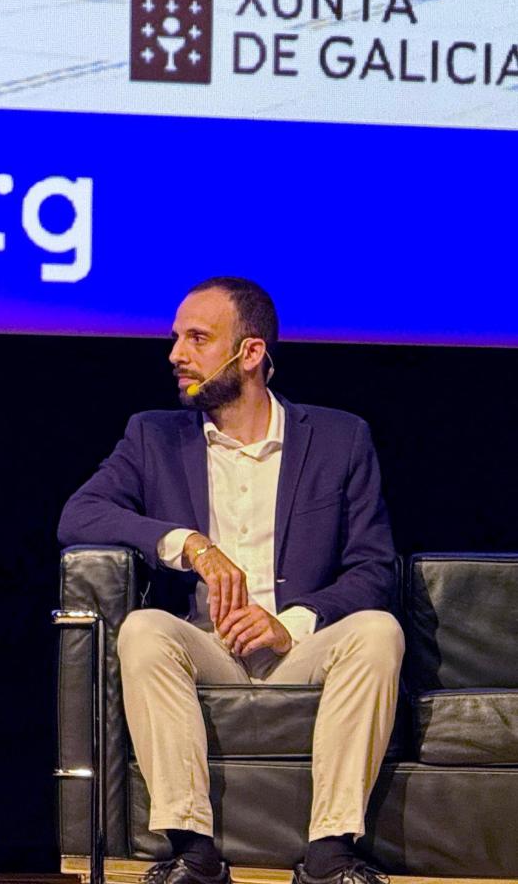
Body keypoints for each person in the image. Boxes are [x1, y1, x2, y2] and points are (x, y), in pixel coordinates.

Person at [59, 277, 402, 884]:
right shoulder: (154, 436)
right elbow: (78, 514)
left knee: (378, 632)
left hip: (299, 649)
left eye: (197, 339)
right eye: (176, 338)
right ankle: (192, 849)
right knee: (143, 630)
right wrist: (189, 544)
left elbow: (374, 568)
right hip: (208, 647)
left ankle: (329, 851)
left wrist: (289, 625)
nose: (176, 354)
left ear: (250, 353)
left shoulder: (339, 438)